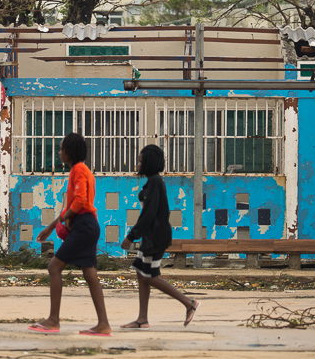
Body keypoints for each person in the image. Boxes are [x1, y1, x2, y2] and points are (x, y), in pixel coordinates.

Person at [28, 132, 112, 336]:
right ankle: (103, 324)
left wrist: (66, 219)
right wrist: (52, 226)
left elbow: (80, 201)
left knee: (54, 267)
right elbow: (73, 205)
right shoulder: (82, 170)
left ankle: (53, 320)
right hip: (89, 225)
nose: (59, 152)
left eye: (61, 149)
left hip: (83, 226)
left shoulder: (78, 170)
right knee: (90, 273)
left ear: (70, 151)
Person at [120, 144, 200, 329]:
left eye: (141, 161)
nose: (138, 164)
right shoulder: (151, 183)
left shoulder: (156, 182)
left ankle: (189, 303)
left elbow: (149, 213)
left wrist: (131, 236)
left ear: (149, 163)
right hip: (151, 236)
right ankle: (142, 319)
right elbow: (147, 213)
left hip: (156, 238)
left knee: (149, 276)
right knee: (141, 272)